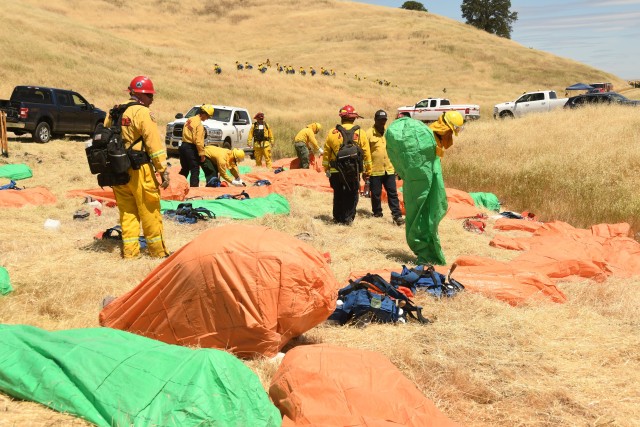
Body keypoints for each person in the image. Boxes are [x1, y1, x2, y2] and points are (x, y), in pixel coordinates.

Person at [104, 76, 170, 259]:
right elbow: (154, 145)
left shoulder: (114, 112)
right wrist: (163, 171)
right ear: (142, 95)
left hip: (118, 171)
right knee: (149, 211)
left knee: (127, 213)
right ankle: (157, 253)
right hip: (139, 170)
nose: (152, 100)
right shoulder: (142, 113)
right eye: (150, 95)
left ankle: (131, 254)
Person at [322, 105, 372, 225]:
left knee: (338, 194)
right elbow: (366, 154)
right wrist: (367, 171)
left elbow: (326, 154)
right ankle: (348, 219)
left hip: (335, 171)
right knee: (352, 194)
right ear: (354, 118)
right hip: (353, 171)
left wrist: (327, 169)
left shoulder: (332, 133)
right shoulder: (361, 133)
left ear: (341, 118)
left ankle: (338, 218)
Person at [365, 110, 404, 226]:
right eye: (380, 120)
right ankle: (377, 213)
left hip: (389, 169)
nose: (382, 122)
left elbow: (396, 150)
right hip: (375, 170)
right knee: (376, 194)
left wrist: (398, 166)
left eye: (384, 120)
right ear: (375, 120)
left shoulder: (389, 133)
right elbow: (365, 153)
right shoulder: (368, 134)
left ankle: (397, 215)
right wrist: (365, 169)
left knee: (393, 193)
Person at [179, 104, 213, 187]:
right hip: (191, 148)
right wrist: (202, 154)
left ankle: (178, 186)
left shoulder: (190, 119)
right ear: (204, 114)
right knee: (194, 169)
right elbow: (199, 142)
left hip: (183, 147)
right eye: (208, 116)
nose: (207, 118)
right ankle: (194, 190)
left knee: (185, 169)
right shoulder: (199, 125)